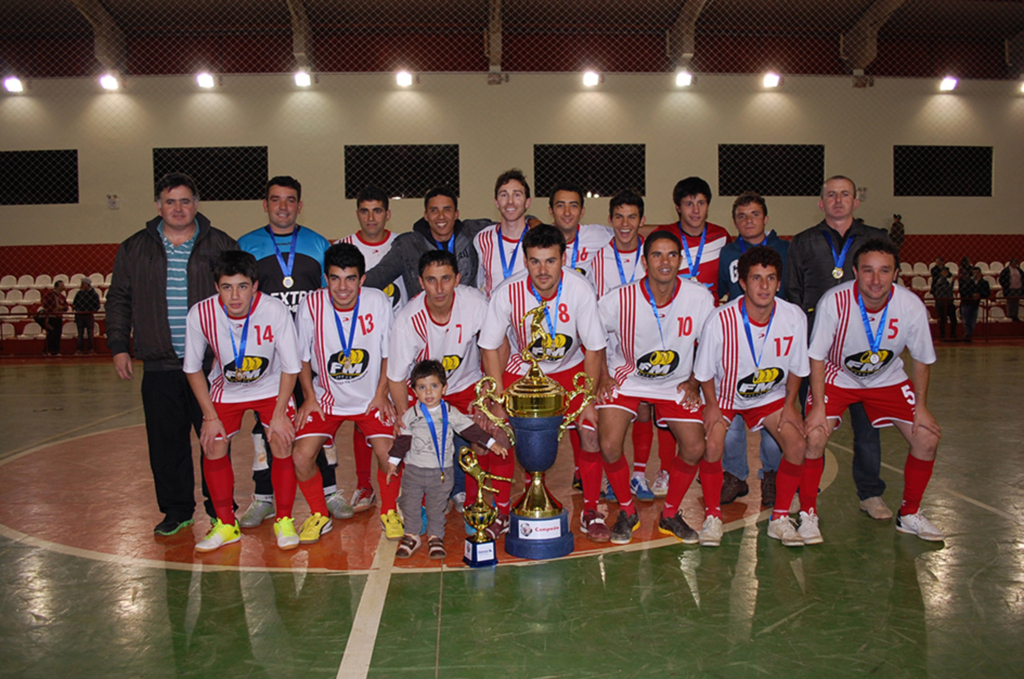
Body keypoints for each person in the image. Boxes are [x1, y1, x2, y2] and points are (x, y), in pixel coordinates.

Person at [106, 172, 239, 536]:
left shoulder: (221, 244)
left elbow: (239, 298)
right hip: (161, 362)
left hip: (211, 367)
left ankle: (220, 509)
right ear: (157, 206)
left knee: (215, 440)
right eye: (170, 201)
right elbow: (118, 298)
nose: (178, 208)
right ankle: (177, 510)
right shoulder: (135, 248)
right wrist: (119, 346)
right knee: (166, 445)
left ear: (196, 204)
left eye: (185, 201)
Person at [804, 239, 944, 543]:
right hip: (838, 376)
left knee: (927, 437)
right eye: (868, 271)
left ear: (896, 273)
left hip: (887, 378)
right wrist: (817, 407)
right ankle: (807, 514)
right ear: (855, 271)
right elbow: (816, 356)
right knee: (814, 436)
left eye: (884, 271)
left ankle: (908, 514)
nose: (876, 280)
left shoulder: (910, 306)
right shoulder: (835, 300)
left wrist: (921, 407)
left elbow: (921, 360)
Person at [478, 225, 607, 540]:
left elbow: (595, 348)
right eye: (535, 261)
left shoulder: (580, 288)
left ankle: (591, 510)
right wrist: (495, 397)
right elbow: (489, 346)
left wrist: (587, 398)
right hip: (522, 370)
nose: (542, 270)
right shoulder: (507, 291)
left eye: (550, 261)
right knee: (500, 431)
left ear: (563, 258)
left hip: (568, 370)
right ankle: (503, 512)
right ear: (525, 260)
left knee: (590, 432)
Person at [784, 175, 895, 521]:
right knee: (812, 426)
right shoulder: (802, 242)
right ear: (821, 202)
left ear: (855, 201)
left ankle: (870, 493)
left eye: (844, 194)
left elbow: (890, 289)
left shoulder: (878, 239)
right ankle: (806, 492)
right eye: (830, 195)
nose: (837, 201)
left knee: (867, 428)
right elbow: (793, 296)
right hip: (819, 350)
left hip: (865, 348)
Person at [236, 177, 345, 528]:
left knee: (317, 421)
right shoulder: (247, 245)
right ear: (264, 204)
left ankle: (330, 491)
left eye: (290, 200)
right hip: (266, 359)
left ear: (300, 205)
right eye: (276, 200)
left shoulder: (316, 244)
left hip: (309, 356)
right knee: (265, 429)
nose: (283, 206)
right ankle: (264, 497)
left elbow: (331, 300)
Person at [596, 231, 715, 545]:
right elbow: (592, 335)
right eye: (657, 255)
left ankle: (670, 514)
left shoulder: (699, 297)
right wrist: (604, 375)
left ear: (680, 259)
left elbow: (709, 344)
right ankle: (626, 511)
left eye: (672, 255)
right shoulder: (619, 298)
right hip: (628, 379)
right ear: (645, 261)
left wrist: (693, 381)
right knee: (608, 444)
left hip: (676, 383)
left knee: (694, 448)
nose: (665, 262)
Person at [183, 251, 301, 552]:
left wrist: (278, 415)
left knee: (282, 440)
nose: (235, 296)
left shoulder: (274, 310)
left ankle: (284, 520)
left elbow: (291, 367)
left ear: (255, 286)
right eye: (227, 287)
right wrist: (209, 417)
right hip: (226, 390)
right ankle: (226, 524)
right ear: (216, 287)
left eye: (242, 286)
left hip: (272, 386)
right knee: (213, 444)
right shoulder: (201, 313)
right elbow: (192, 368)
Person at [695, 247, 811, 547]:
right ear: (743, 283)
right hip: (725, 395)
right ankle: (712, 517)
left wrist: (790, 406)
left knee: (797, 443)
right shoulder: (720, 319)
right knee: (711, 444)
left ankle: (780, 518)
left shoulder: (794, 317)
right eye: (756, 278)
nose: (764, 286)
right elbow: (704, 371)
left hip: (769, 396)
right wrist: (710, 406)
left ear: (779, 282)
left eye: (771, 278)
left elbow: (798, 368)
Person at [292, 243, 397, 544]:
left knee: (389, 455)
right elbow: (301, 358)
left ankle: (389, 511)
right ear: (326, 278)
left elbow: (389, 354)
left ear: (362, 279)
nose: (342, 287)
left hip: (369, 398)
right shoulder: (310, 304)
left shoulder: (377, 301)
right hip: (327, 399)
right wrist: (310, 397)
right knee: (301, 457)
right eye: (335, 278)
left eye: (350, 278)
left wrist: (381, 394)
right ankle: (319, 515)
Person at [387, 250, 492, 523]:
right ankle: (424, 499)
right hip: (424, 393)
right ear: (420, 282)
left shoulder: (475, 303)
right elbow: (396, 377)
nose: (439, 288)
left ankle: (473, 500)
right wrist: (405, 417)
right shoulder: (407, 321)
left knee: (486, 437)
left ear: (457, 278)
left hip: (467, 384)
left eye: (446, 279)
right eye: (431, 280)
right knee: (418, 443)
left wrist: (490, 394)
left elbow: (496, 344)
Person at [387, 359, 508, 559]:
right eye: (422, 387)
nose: (428, 392)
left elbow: (471, 431)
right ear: (414, 391)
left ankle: (436, 537)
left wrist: (491, 443)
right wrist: (393, 463)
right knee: (410, 503)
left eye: (434, 386)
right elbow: (402, 442)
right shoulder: (411, 415)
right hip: (414, 471)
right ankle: (412, 534)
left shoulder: (451, 413)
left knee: (437, 506)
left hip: (441, 472)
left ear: (444, 388)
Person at [338, 185, 410, 515]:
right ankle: (364, 485)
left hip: (400, 342)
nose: (371, 217)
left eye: (377, 210)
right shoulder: (343, 247)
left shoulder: (401, 246)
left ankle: (407, 483)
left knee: (397, 415)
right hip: (359, 345)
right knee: (362, 415)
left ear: (387, 214)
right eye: (364, 211)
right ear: (357, 214)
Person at [716, 192, 789, 508]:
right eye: (742, 216)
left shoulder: (785, 249)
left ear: (766, 218)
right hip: (737, 342)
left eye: (754, 214)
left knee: (773, 408)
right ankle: (734, 475)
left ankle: (771, 474)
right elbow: (722, 292)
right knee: (730, 410)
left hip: (774, 342)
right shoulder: (727, 253)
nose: (748, 220)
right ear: (735, 221)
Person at [583, 190, 656, 502]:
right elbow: (591, 318)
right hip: (610, 354)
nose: (625, 224)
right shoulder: (596, 262)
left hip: (647, 350)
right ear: (610, 220)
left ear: (642, 220)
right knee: (610, 420)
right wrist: (600, 369)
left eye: (632, 217)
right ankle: (612, 479)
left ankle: (638, 475)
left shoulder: (654, 257)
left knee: (643, 412)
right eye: (619, 217)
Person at [364, 187, 490, 298]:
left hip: (468, 318)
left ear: (456, 214)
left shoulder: (473, 233)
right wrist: (348, 283)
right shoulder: (407, 246)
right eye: (434, 210)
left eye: (447, 209)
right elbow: (378, 277)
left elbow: (505, 229)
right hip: (425, 321)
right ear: (426, 215)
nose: (441, 216)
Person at [654, 176, 730, 300]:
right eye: (689, 204)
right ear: (678, 208)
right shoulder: (663, 235)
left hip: (710, 312)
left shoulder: (721, 236)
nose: (696, 210)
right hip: (673, 313)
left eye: (701, 203)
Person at [475, 169, 532, 297]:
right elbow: (478, 284)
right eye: (504, 195)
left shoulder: (538, 239)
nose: (510, 201)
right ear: (496, 202)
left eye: (517, 195)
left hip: (528, 315)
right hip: (493, 314)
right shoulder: (482, 239)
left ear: (527, 202)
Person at [547, 182, 613, 273]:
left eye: (573, 206)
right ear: (551, 211)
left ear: (582, 212)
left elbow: (629, 232)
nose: (567, 213)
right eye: (560, 206)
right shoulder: (540, 239)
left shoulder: (598, 235)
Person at [959, 266, 990, 340]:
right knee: (966, 319)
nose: (975, 274)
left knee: (973, 320)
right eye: (974, 272)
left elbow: (987, 292)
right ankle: (967, 333)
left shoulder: (984, 282)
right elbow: (963, 291)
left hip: (975, 303)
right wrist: (971, 295)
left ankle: (970, 333)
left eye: (977, 272)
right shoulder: (967, 281)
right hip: (966, 302)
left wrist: (979, 295)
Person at [72, 278, 100, 354]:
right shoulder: (79, 293)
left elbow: (97, 305)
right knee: (80, 333)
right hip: (80, 316)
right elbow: (75, 303)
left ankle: (90, 349)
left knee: (90, 333)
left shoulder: (93, 294)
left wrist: (90, 311)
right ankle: (79, 349)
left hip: (88, 316)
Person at [40, 280, 68, 356]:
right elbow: (44, 304)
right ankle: (47, 350)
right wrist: (53, 309)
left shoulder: (62, 297)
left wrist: (61, 308)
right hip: (51, 317)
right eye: (61, 285)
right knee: (51, 334)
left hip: (59, 317)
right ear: (56, 287)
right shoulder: (50, 295)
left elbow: (66, 307)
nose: (63, 286)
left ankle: (56, 351)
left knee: (58, 334)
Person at [931, 266, 957, 339]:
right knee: (943, 320)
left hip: (947, 302)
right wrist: (952, 282)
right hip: (943, 303)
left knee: (951, 319)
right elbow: (946, 290)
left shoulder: (944, 281)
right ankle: (944, 336)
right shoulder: (940, 281)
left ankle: (951, 335)